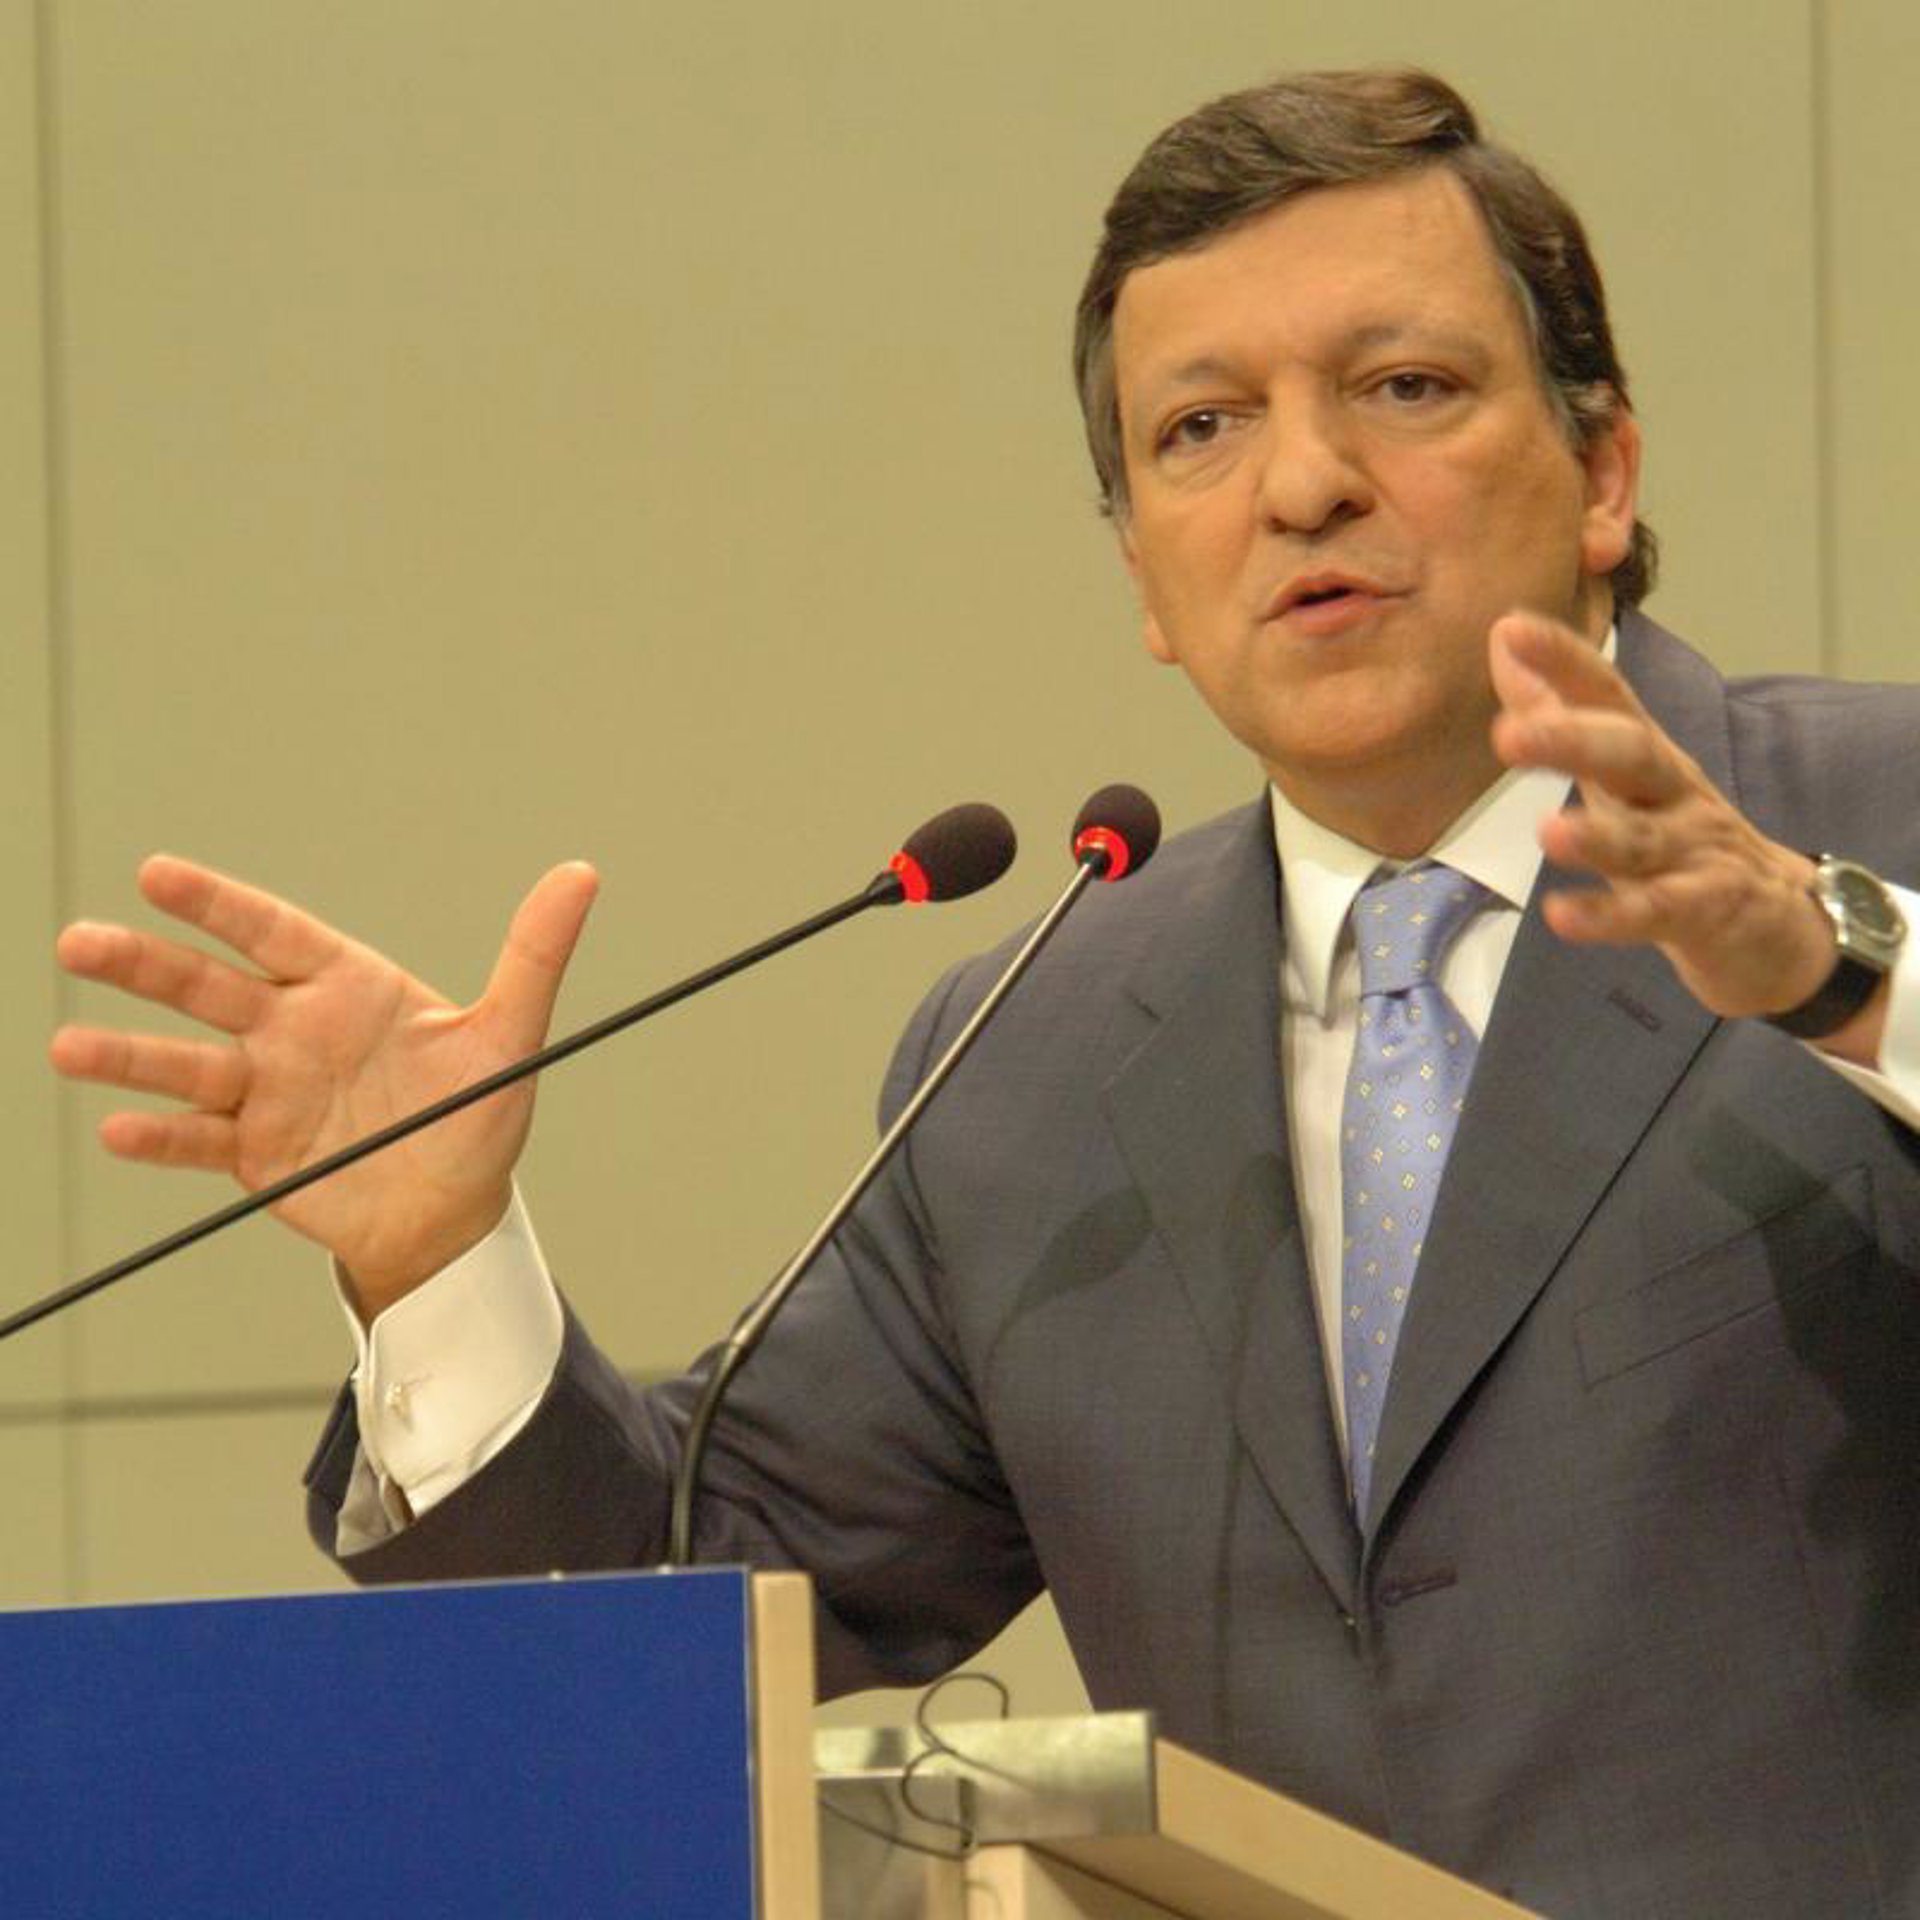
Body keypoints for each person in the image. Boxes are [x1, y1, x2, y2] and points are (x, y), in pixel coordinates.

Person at [52, 68, 1920, 1918]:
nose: (1303, 484)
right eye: (1200, 428)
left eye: (1404, 386)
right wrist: (436, 1259)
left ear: (1603, 471)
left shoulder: (1869, 822)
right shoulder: (1038, 1048)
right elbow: (697, 1621)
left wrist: (1841, 970)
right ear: (1145, 579)